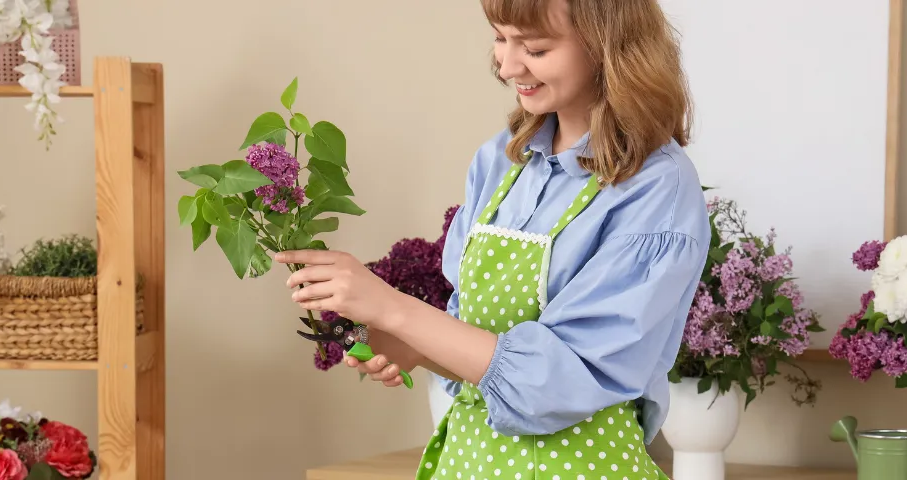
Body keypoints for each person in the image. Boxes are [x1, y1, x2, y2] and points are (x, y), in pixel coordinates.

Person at [274, 0, 708, 478]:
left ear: (608, 46)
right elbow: (480, 346)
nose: (506, 65)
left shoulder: (655, 187)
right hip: (469, 462)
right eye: (501, 38)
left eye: (536, 48)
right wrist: (395, 341)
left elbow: (552, 385)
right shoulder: (501, 162)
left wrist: (393, 307)